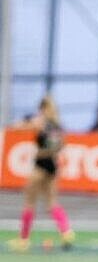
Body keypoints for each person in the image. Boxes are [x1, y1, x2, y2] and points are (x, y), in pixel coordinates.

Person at [7, 96, 75, 252]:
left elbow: (21, 127)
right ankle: (66, 233)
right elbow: (62, 145)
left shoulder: (40, 122)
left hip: (40, 165)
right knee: (52, 203)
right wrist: (50, 151)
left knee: (30, 202)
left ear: (43, 108)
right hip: (52, 166)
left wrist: (14, 125)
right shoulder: (57, 125)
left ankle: (23, 240)